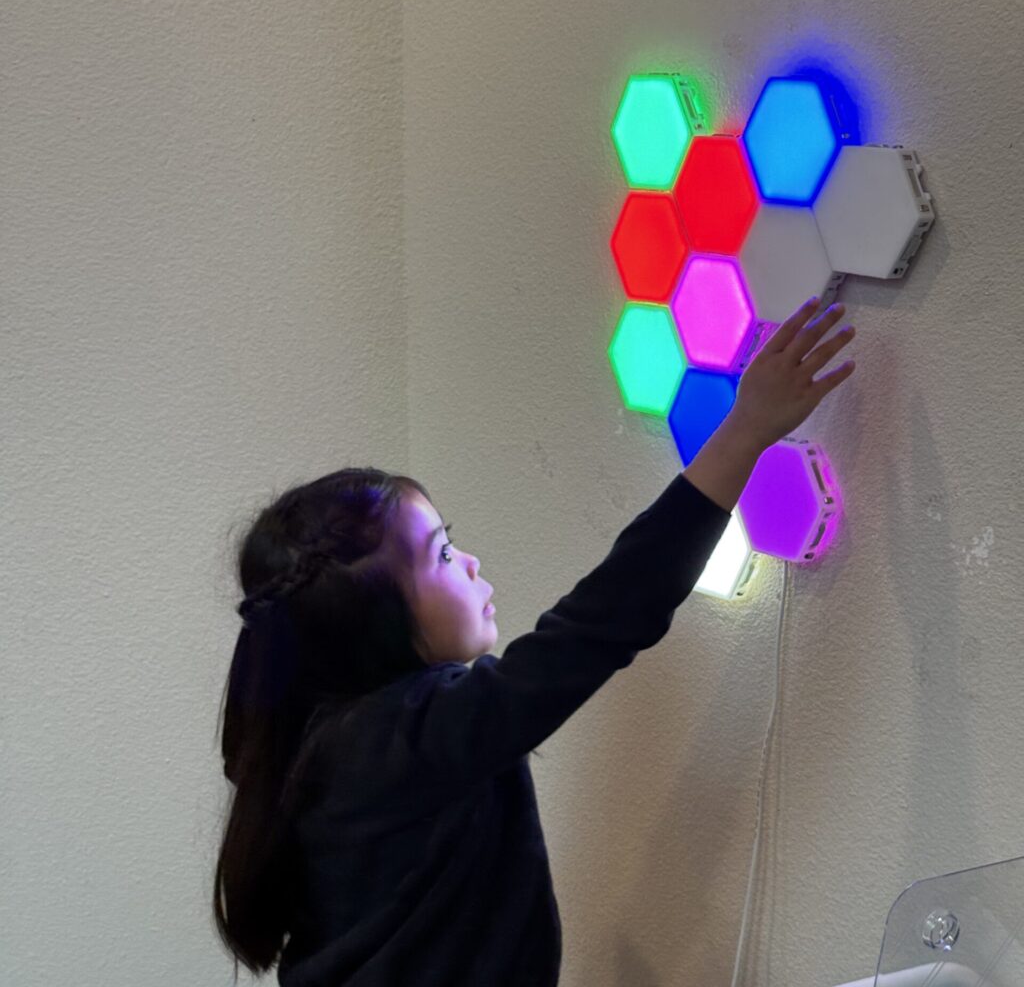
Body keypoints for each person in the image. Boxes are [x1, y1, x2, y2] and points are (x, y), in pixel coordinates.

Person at [212, 297, 856, 986]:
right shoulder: (414, 736)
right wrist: (747, 430)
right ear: (375, 622)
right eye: (442, 554)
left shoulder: (318, 734)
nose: (470, 563)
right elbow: (599, 622)